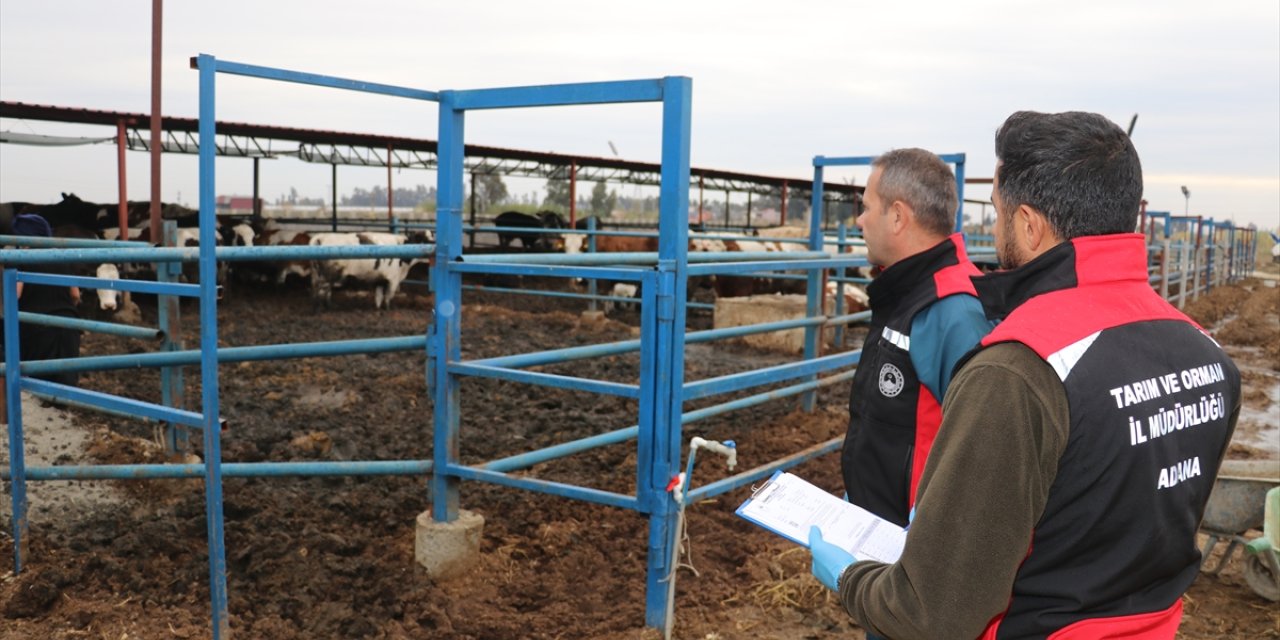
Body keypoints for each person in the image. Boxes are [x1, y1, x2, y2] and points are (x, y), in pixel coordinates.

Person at [810, 111, 1241, 639]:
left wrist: (851, 577)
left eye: (997, 211)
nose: (992, 229)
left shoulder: (1018, 371)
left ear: (1029, 224)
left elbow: (933, 614)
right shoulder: (1207, 356)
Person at [841, 148, 990, 529]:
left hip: (909, 559)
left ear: (897, 216)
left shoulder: (954, 312)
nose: (859, 220)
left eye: (867, 206)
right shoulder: (909, 292)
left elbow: (982, 455)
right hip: (876, 539)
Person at [8, 213, 82, 387]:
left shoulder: (22, 259)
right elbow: (75, 295)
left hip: (37, 326)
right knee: (67, 378)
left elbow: (15, 295)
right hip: (68, 322)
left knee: (39, 382)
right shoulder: (62, 257)